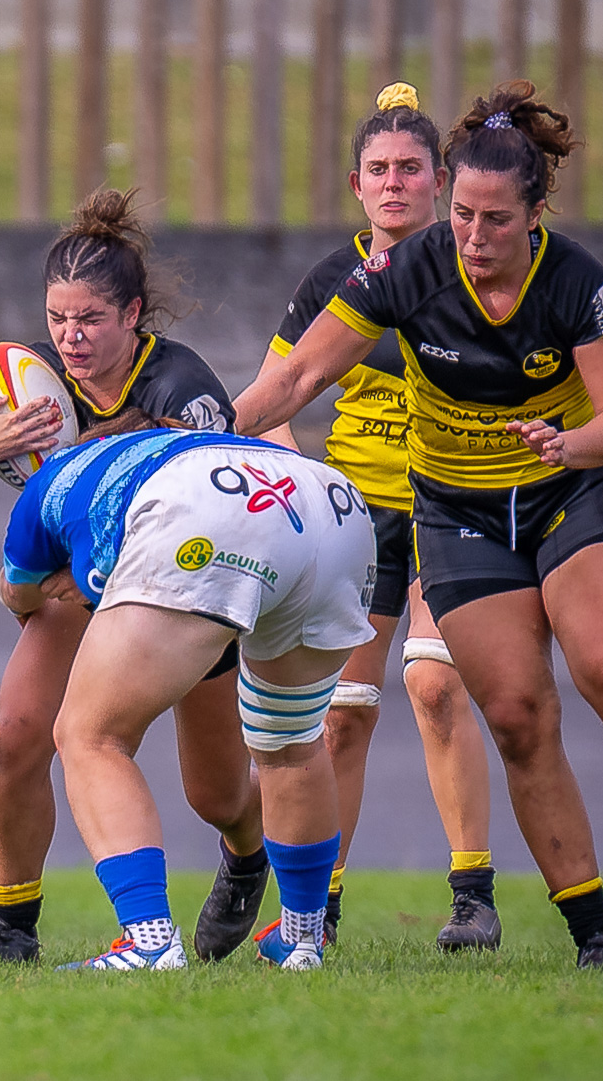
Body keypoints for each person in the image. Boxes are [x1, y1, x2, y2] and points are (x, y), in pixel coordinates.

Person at [234, 81, 603, 970]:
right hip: (460, 508)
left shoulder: (581, 285)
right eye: (463, 217)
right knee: (513, 713)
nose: (472, 239)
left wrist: (572, 440)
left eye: (495, 221)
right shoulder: (408, 270)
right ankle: (595, 934)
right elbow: (294, 379)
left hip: (573, 485)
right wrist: (200, 432)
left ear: (537, 212)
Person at [0, 189, 267, 965]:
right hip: (73, 588)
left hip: (180, 591)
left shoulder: (183, 391)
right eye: (57, 319)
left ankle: (247, 854)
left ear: (133, 314)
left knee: (214, 793)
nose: (70, 338)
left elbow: (204, 522)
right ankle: (10, 929)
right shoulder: (31, 380)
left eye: (89, 319)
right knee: (18, 739)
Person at [0, 415, 376, 971]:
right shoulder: (156, 447)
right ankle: (301, 940)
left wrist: (76, 575)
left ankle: (148, 940)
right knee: (290, 742)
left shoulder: (46, 483)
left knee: (90, 734)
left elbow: (18, 593)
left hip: (205, 508)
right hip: (333, 502)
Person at [258, 83, 497, 950]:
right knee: (342, 715)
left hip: (452, 504)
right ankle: (317, 915)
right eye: (377, 170)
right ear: (355, 185)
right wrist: (307, 481)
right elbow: (275, 392)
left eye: (409, 168)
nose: (393, 183)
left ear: (440, 180)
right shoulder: (333, 280)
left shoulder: (471, 268)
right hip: (355, 519)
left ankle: (473, 893)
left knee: (434, 685)